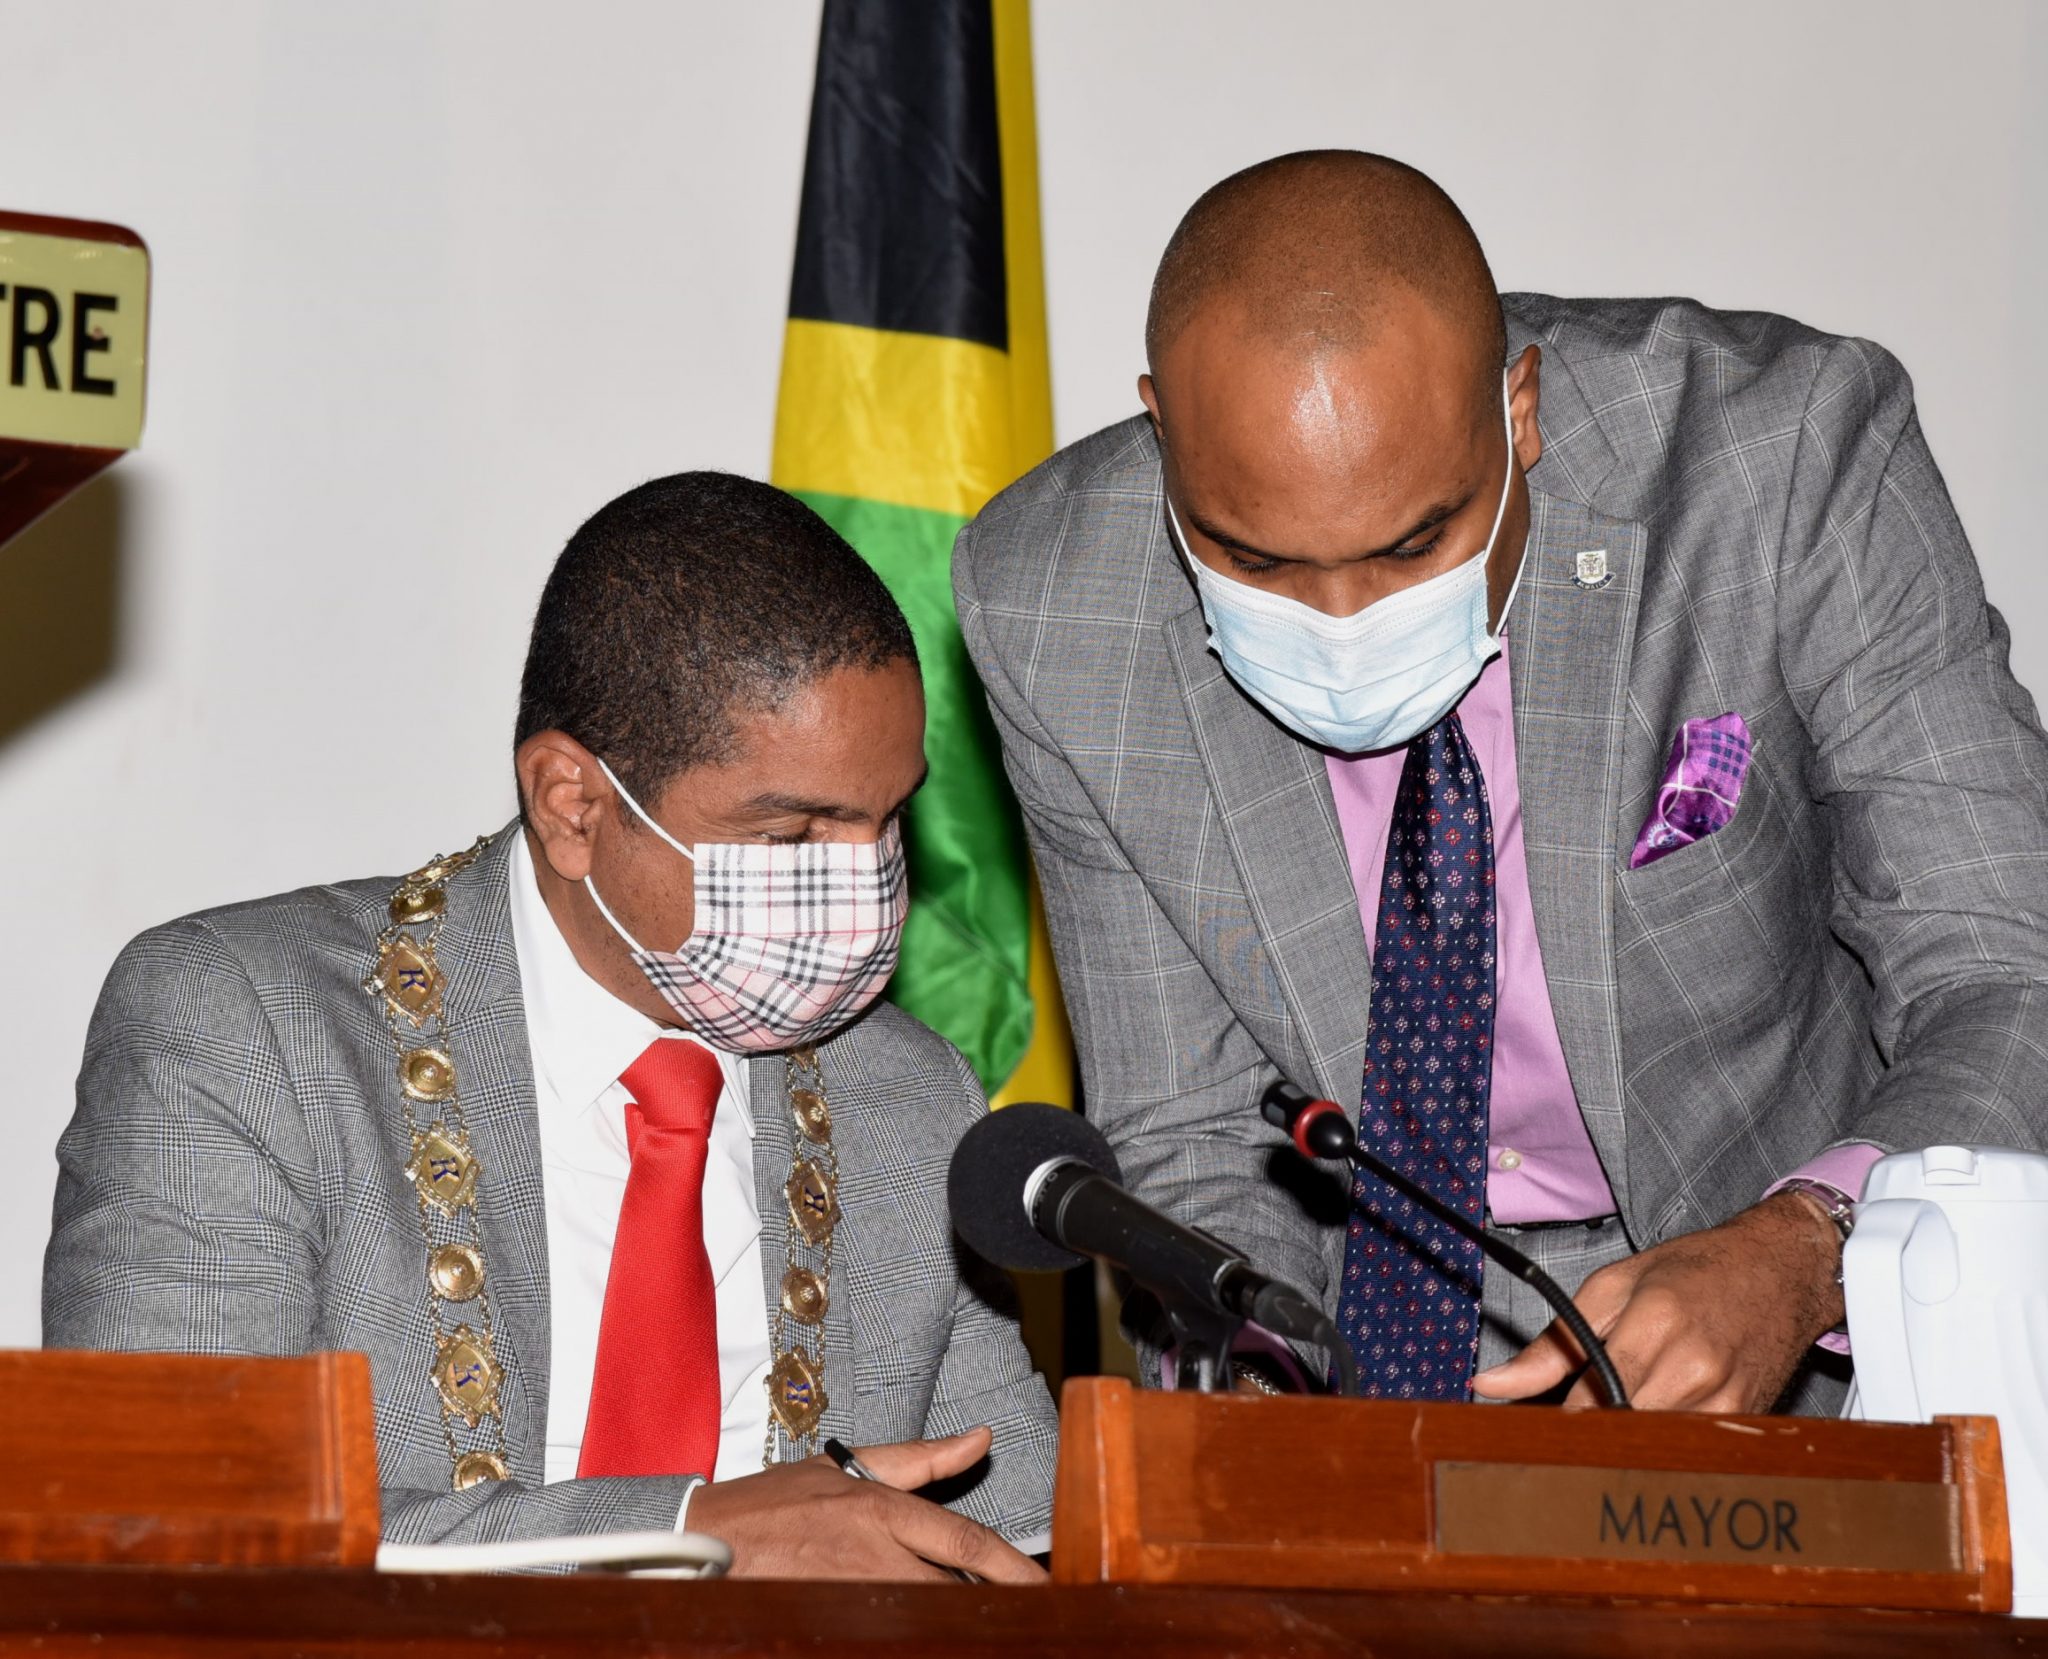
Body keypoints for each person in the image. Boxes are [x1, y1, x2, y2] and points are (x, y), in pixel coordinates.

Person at [954, 151, 2048, 1414]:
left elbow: (2003, 966)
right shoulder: (1050, 602)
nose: (1341, 620)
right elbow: (1192, 1130)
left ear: (1518, 412)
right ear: (1162, 430)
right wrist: (1257, 1395)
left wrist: (1810, 1243)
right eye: (1253, 561)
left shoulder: (1778, 458)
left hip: (1808, 1329)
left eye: (1413, 542)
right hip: (1365, 1352)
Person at [46, 472, 1055, 1578]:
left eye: (887, 819)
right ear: (572, 804)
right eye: (791, 837)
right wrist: (695, 1531)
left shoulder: (907, 1096)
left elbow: (1026, 1542)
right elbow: (167, 1515)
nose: (864, 887)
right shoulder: (244, 1027)